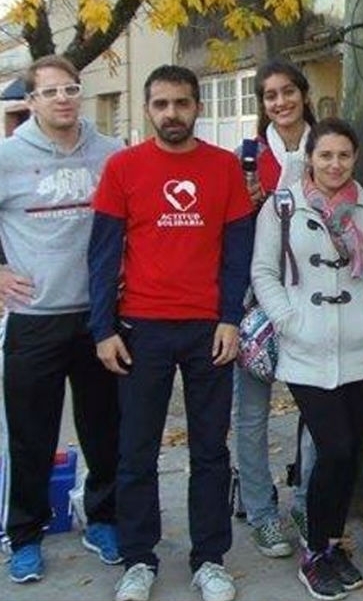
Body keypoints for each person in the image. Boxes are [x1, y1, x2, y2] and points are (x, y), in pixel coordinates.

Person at [89, 65, 255, 601]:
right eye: (161, 104)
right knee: (136, 452)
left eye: (182, 102)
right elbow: (103, 254)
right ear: (147, 109)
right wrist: (102, 328)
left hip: (208, 329)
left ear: (197, 107)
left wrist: (230, 317)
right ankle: (139, 559)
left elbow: (238, 253)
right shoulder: (123, 167)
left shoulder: (223, 167)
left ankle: (210, 559)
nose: (172, 113)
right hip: (141, 328)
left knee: (210, 450)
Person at [251, 118, 363, 598]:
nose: (335, 164)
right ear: (310, 158)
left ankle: (333, 544)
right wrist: (288, 320)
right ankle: (313, 551)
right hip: (306, 348)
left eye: (344, 155)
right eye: (325, 155)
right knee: (332, 448)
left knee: (353, 451)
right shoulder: (282, 206)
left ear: (355, 158)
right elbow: (264, 271)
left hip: (361, 346)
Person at [0, 55, 123, 583]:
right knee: (32, 435)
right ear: (30, 101)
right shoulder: (7, 157)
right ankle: (25, 535)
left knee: (105, 429)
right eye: (49, 92)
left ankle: (104, 519)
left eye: (70, 89)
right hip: (35, 317)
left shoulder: (111, 153)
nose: (62, 99)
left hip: (99, 316)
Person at [232, 60, 318, 559]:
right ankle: (261, 511)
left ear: (304, 94)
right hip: (257, 296)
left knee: (317, 409)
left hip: (315, 295)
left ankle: (306, 502)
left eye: (288, 91)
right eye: (270, 95)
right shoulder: (247, 157)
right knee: (251, 413)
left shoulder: (325, 146)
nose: (281, 102)